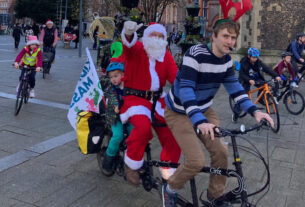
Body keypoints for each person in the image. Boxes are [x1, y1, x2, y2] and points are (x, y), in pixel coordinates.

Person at [163, 20, 275, 207]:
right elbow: (187, 90)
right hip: (179, 112)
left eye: (233, 38)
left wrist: (255, 111)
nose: (230, 41)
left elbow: (236, 89)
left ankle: (215, 196)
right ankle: (170, 188)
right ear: (213, 36)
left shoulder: (226, 61)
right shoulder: (195, 54)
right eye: (225, 36)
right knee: (196, 161)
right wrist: (200, 122)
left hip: (204, 110)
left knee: (221, 152)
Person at [119, 21, 181, 186]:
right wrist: (128, 34)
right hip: (136, 99)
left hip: (159, 100)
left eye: (161, 36)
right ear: (146, 37)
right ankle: (131, 164)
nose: (157, 39)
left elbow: (176, 78)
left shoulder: (166, 55)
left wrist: (189, 93)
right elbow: (128, 47)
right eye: (154, 35)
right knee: (143, 128)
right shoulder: (138, 49)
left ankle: (168, 168)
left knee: (174, 130)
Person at [101, 60, 133, 176]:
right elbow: (111, 98)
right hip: (115, 118)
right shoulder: (111, 88)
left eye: (116, 76)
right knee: (118, 136)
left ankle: (132, 159)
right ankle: (108, 160)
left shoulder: (128, 87)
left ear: (123, 75)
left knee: (135, 134)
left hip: (128, 117)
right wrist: (115, 105)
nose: (113, 79)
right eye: (111, 77)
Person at [232, 47, 281, 122]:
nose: (255, 59)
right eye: (254, 57)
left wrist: (276, 75)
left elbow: (266, 68)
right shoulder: (244, 61)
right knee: (243, 97)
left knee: (264, 85)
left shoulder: (258, 62)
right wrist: (249, 80)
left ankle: (260, 99)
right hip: (245, 79)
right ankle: (236, 114)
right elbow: (242, 74)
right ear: (249, 56)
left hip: (255, 78)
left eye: (256, 57)